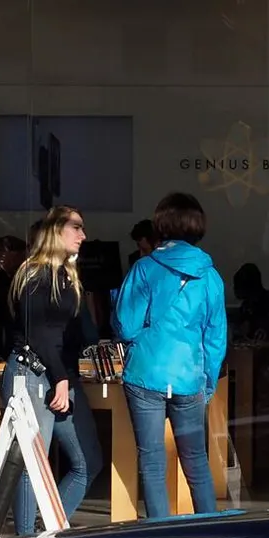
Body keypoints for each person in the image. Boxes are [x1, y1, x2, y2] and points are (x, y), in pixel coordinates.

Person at [113, 192, 225, 519]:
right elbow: (215, 337)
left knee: (151, 462)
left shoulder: (144, 268)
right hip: (189, 377)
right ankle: (208, 530)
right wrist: (209, 381)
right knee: (197, 462)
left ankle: (159, 536)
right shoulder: (210, 276)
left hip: (146, 373)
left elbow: (125, 325)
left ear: (161, 224)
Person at [3, 205, 103, 536]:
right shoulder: (35, 274)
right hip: (32, 372)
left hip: (59, 374)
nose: (83, 235)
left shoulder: (65, 275)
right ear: (56, 230)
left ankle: (45, 533)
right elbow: (39, 333)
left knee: (88, 461)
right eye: (76, 227)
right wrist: (60, 377)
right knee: (33, 465)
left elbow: (74, 333)